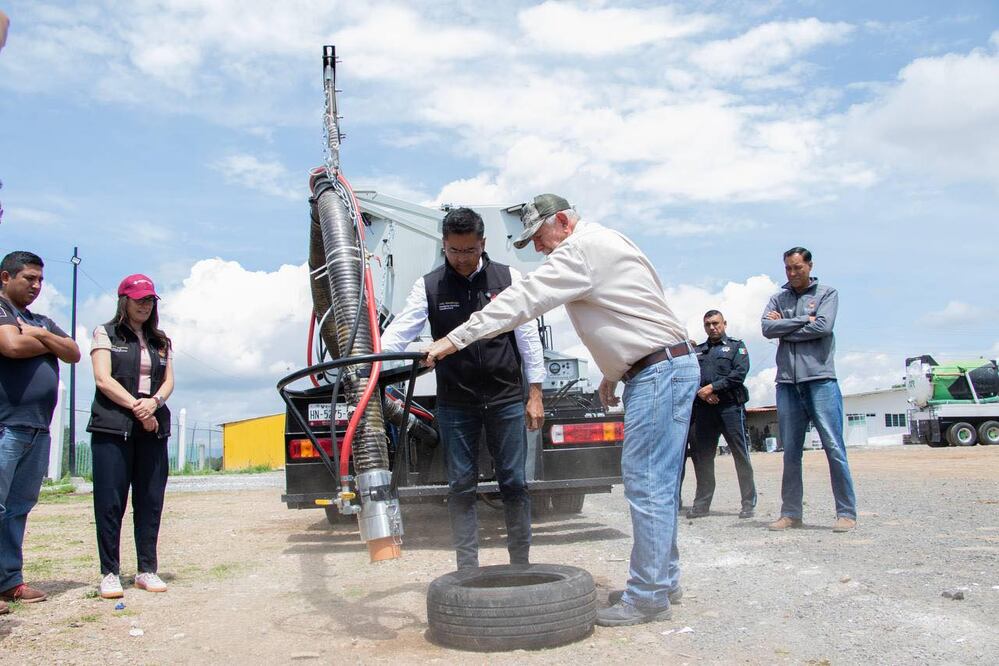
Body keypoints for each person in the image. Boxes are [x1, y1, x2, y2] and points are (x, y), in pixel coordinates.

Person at [425, 194, 695, 627]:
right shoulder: (610, 241)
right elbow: (640, 306)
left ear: (564, 222)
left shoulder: (579, 250)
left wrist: (454, 339)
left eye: (539, 236)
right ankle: (663, 581)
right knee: (656, 484)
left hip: (659, 372)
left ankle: (647, 597)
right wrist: (617, 368)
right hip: (661, 366)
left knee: (647, 485)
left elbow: (522, 300)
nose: (537, 248)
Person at [380, 207, 545, 570]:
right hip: (456, 402)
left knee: (514, 481)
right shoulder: (429, 286)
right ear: (444, 246)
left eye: (469, 251)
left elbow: (528, 338)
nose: (462, 259)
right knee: (460, 485)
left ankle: (521, 563)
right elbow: (399, 332)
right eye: (454, 251)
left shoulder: (509, 278)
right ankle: (467, 567)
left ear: (482, 244)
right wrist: (375, 358)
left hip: (505, 399)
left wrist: (535, 393)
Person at [0, 251, 81, 608]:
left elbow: (74, 351)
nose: (36, 286)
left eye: (40, 280)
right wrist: (46, 339)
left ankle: (9, 581)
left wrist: (38, 332)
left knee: (18, 507)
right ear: (5, 277)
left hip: (37, 428)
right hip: (6, 425)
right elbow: (12, 345)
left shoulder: (38, 319)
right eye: (28, 278)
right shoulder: (1, 310)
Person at [87, 274, 174, 599]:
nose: (145, 305)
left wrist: (154, 403)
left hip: (153, 427)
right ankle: (109, 572)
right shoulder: (105, 333)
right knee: (110, 502)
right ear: (124, 300)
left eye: (150, 299)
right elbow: (102, 379)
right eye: (139, 299)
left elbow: (167, 382)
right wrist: (138, 408)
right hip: (114, 426)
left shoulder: (161, 340)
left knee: (150, 500)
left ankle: (146, 569)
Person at [762, 247, 857, 533]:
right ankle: (791, 513)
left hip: (820, 380)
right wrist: (804, 320)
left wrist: (785, 327)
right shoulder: (778, 297)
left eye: (797, 268)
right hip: (788, 384)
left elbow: (824, 328)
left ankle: (846, 513)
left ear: (810, 266)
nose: (792, 273)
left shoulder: (827, 294)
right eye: (788, 269)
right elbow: (767, 328)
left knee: (833, 447)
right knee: (790, 451)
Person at [686, 310, 757, 519]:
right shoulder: (698, 351)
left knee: (740, 455)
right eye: (707, 324)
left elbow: (739, 374)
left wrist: (714, 388)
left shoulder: (736, 346)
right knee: (703, 458)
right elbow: (690, 376)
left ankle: (747, 504)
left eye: (715, 323)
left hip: (730, 409)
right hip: (705, 410)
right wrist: (704, 393)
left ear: (724, 323)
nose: (712, 327)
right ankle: (702, 505)